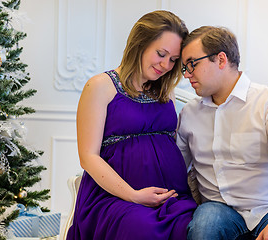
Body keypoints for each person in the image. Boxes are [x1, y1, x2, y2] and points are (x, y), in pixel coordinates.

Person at [66, 10, 197, 240]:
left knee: (197, 226)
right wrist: (134, 195)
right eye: (161, 54)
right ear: (140, 44)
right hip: (114, 198)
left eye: (173, 60)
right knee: (140, 228)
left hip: (170, 197)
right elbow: (88, 157)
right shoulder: (100, 86)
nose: (166, 65)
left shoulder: (167, 91)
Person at [177, 26, 268, 240]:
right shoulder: (189, 114)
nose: (186, 74)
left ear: (221, 60)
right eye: (184, 67)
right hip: (217, 209)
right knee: (205, 226)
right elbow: (175, 170)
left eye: (192, 64)